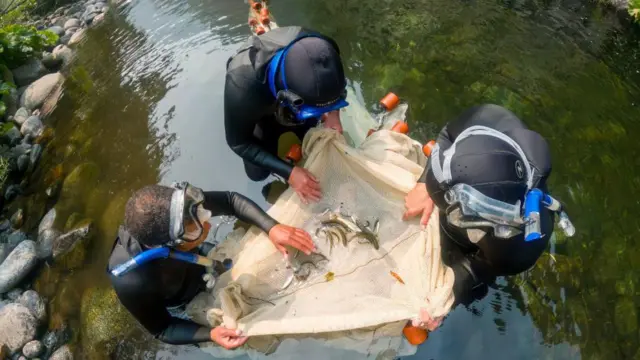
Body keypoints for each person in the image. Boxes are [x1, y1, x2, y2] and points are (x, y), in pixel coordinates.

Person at [402, 104, 573, 330]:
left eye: (450, 211)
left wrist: (443, 299)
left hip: (497, 244)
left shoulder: (520, 248)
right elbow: (446, 135)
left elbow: (479, 269)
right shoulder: (486, 117)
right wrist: (425, 184)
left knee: (466, 286)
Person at [107, 182, 316, 349]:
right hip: (185, 302)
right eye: (194, 228)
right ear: (167, 246)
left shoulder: (178, 209)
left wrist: (272, 227)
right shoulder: (132, 281)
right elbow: (163, 329)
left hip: (200, 259)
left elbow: (230, 200)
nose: (207, 224)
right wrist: (210, 334)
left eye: (200, 214)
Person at [224, 26, 349, 204]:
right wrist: (289, 172)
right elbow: (237, 142)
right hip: (262, 110)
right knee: (257, 174)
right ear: (289, 97)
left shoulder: (325, 50)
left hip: (298, 107)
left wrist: (333, 113)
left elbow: (339, 87)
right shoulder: (242, 84)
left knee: (316, 145)